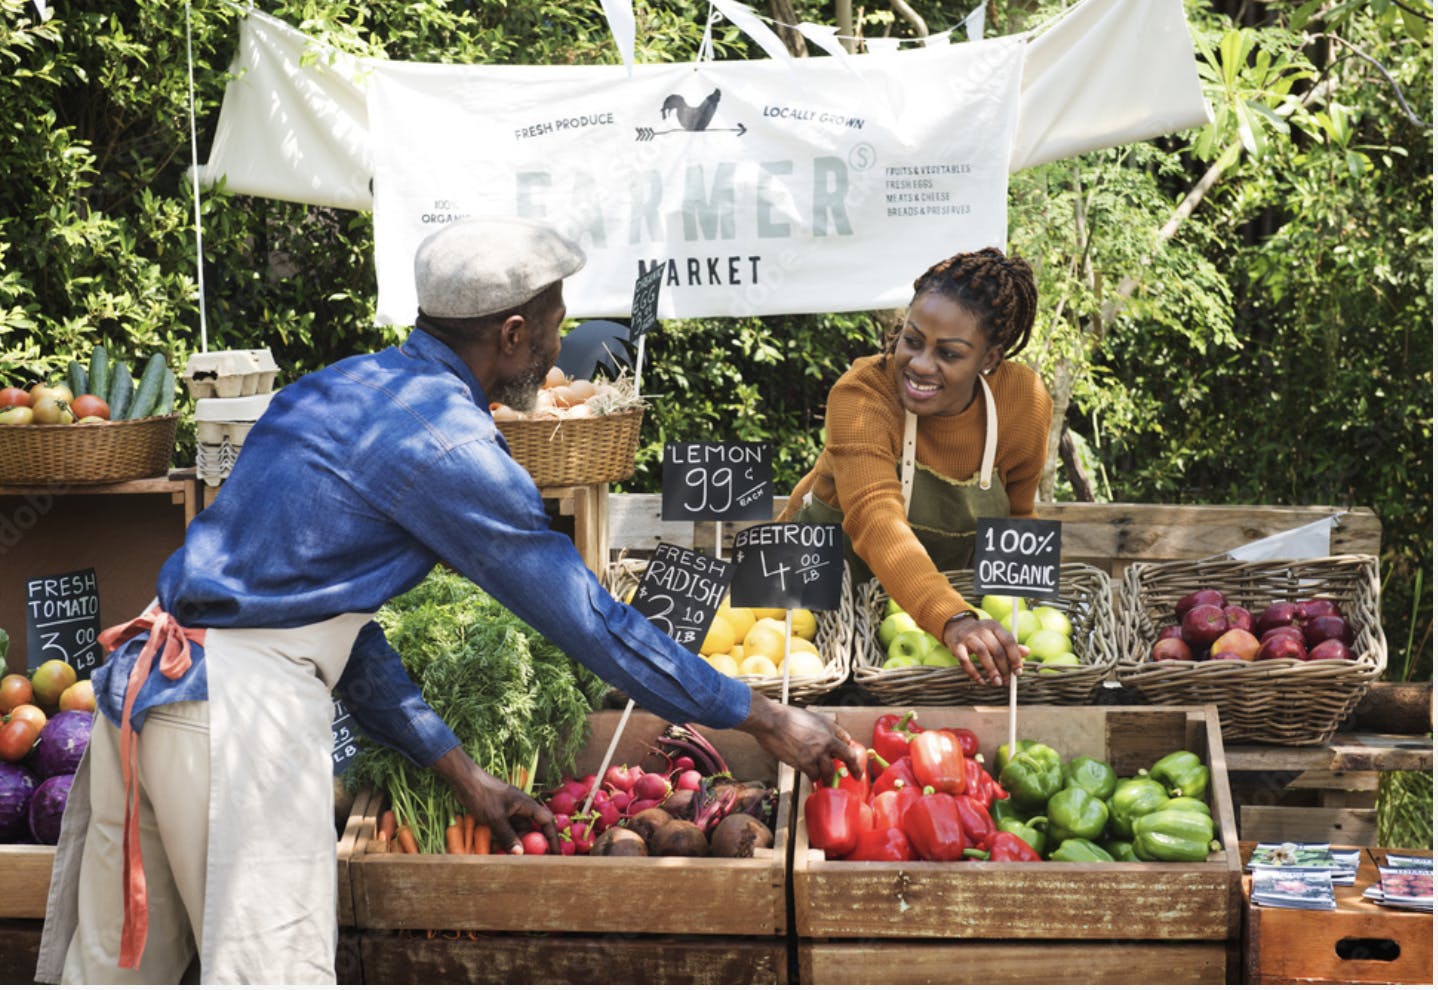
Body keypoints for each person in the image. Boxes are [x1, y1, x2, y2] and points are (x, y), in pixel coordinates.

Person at [36, 217, 860, 985]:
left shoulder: (330, 392)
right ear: (512, 335)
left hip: (144, 698)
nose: (559, 339)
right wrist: (762, 716)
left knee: (114, 971)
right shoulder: (454, 447)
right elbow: (590, 622)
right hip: (234, 720)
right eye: (554, 321)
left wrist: (461, 774)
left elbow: (335, 629)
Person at [779, 247, 1053, 688]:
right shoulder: (863, 394)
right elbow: (875, 518)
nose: (921, 365)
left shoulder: (1023, 401)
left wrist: (1028, 624)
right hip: (808, 610)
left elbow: (1016, 518)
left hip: (919, 626)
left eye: (949, 353)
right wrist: (954, 618)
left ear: (989, 358)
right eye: (912, 340)